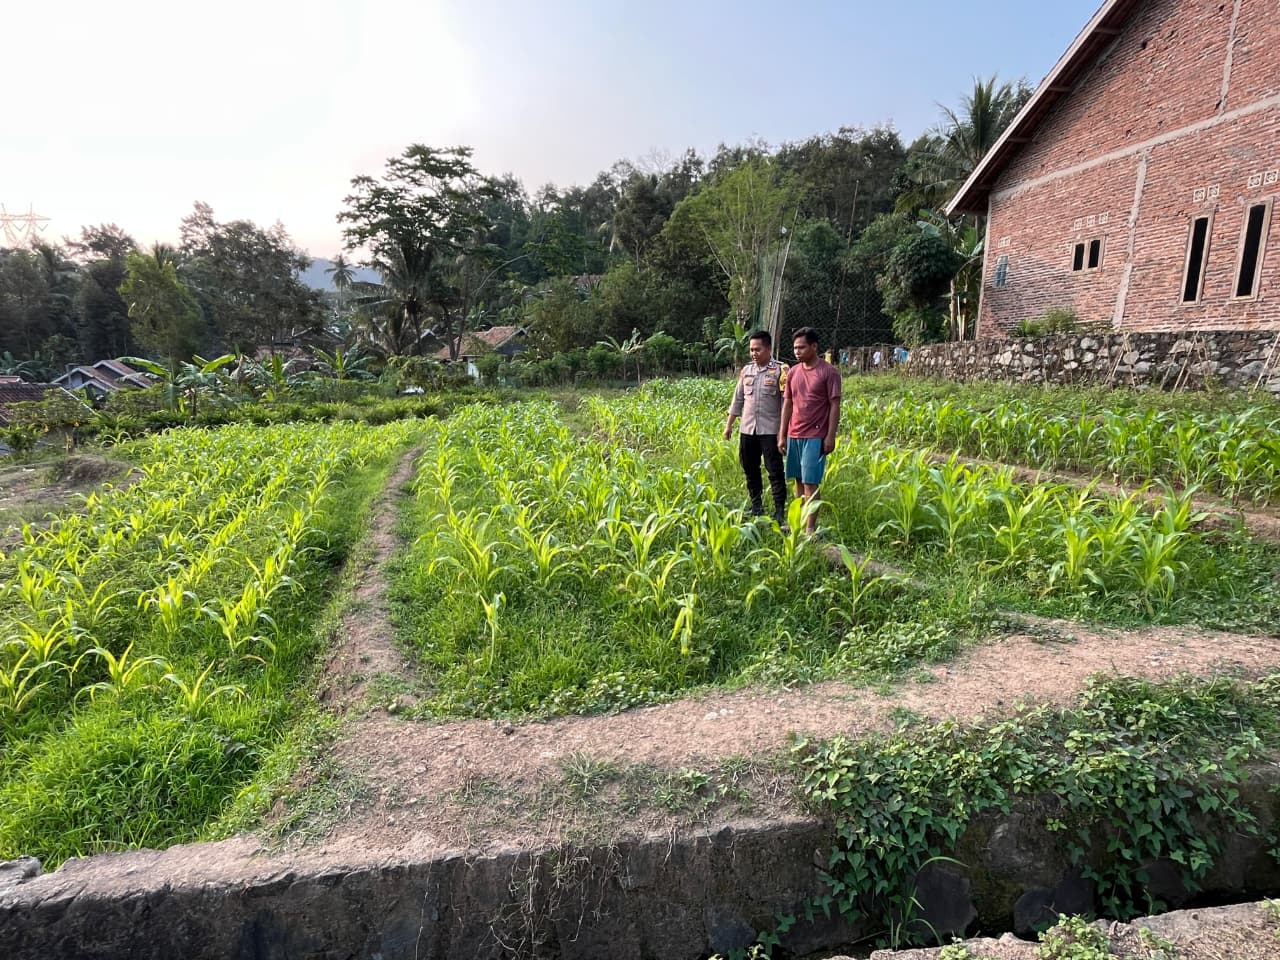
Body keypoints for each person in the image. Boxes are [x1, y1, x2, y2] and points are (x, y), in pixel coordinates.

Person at [779, 327, 842, 537]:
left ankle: (810, 529)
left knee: (810, 482)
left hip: (815, 436)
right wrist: (782, 434)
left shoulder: (829, 372)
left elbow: (834, 405)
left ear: (814, 347)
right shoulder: (793, 373)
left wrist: (830, 436)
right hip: (794, 434)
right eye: (795, 348)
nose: (797, 351)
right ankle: (798, 522)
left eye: (802, 347)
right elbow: (788, 403)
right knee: (798, 480)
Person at [724, 330, 788, 523]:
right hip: (748, 429)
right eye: (751, 350)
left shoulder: (781, 370)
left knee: (774, 471)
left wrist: (784, 432)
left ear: (768, 349)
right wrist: (729, 426)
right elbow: (738, 400)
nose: (753, 353)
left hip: (770, 430)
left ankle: (779, 511)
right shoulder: (746, 371)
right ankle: (756, 505)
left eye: (757, 349)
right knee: (750, 468)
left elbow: (786, 403)